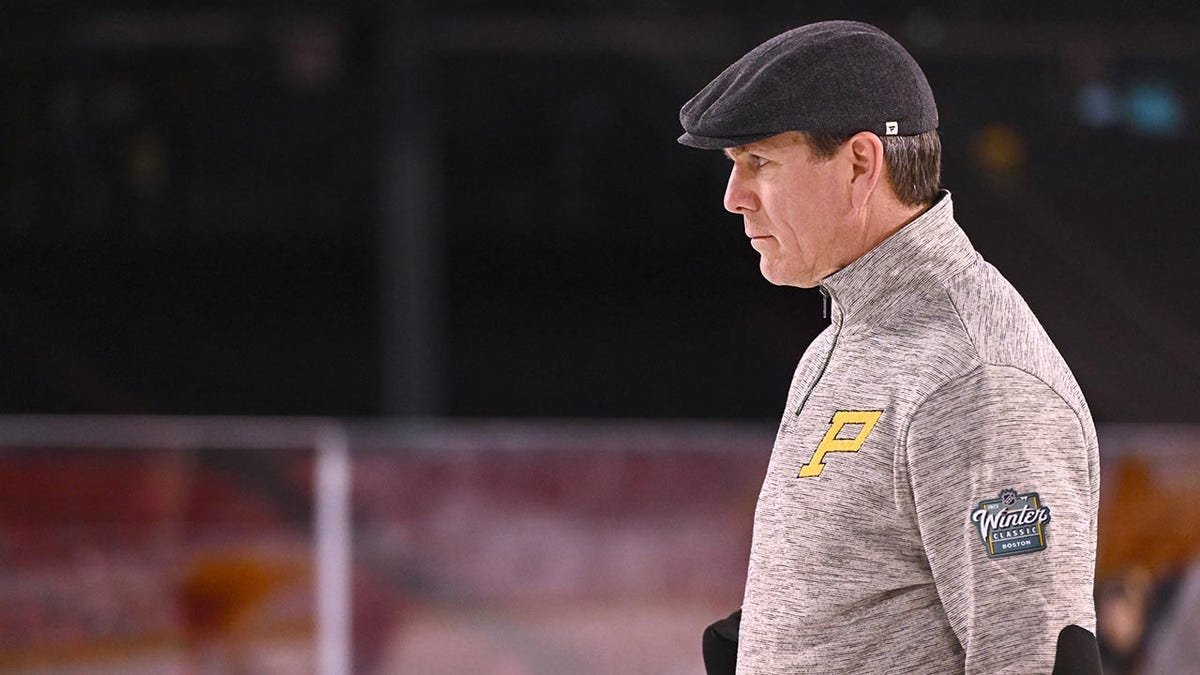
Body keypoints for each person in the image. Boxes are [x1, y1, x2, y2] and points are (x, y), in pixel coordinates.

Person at [679, 21, 1101, 674]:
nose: (734, 198)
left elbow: (1036, 661)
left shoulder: (977, 379)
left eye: (757, 161)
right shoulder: (840, 344)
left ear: (859, 164)